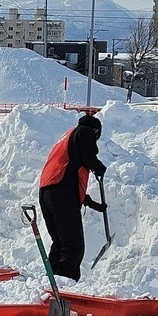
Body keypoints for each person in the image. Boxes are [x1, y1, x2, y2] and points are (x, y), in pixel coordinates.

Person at [38, 113, 108, 282]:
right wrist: (98, 167)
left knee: (60, 243)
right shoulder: (84, 132)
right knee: (74, 246)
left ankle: (51, 282)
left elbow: (68, 178)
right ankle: (65, 286)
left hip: (47, 193)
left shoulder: (67, 139)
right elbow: (88, 158)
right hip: (61, 193)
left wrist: (91, 203)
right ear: (96, 131)